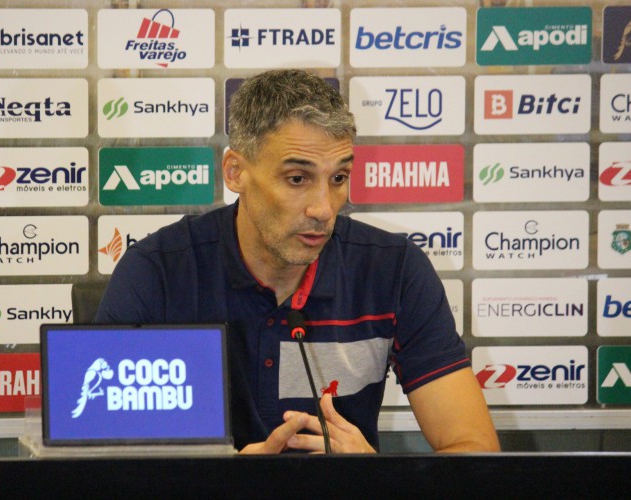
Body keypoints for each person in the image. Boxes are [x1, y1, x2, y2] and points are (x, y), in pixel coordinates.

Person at [95, 69, 500, 454]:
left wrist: (372, 474)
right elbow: (101, 457)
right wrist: (228, 479)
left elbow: (475, 450)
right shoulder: (157, 271)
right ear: (236, 172)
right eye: (297, 179)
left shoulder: (394, 270)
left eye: (338, 178)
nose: (324, 209)